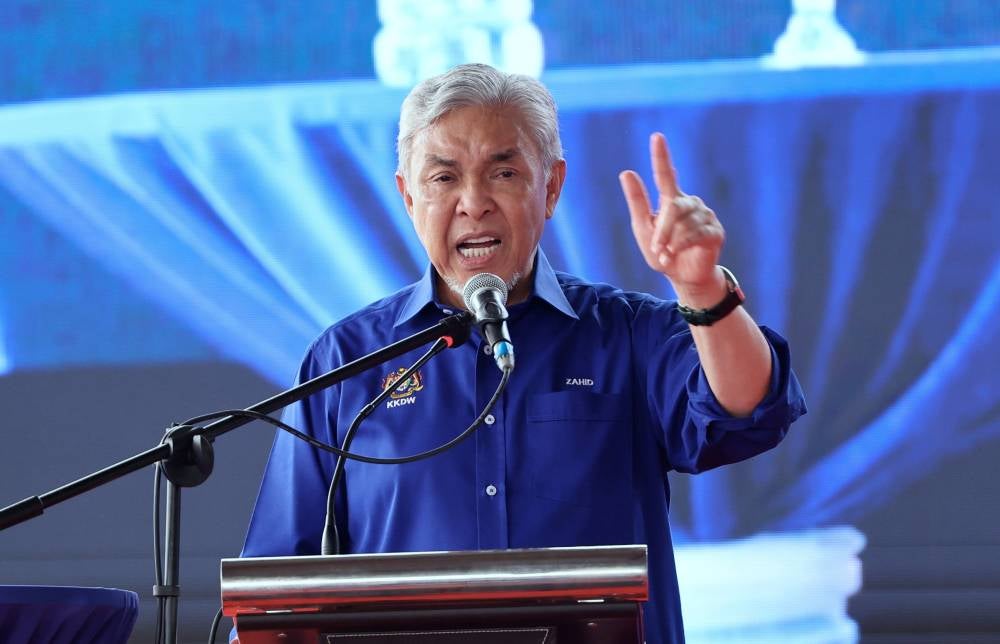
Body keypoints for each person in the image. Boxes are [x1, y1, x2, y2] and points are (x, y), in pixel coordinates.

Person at [240, 63, 806, 644]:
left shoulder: (629, 333)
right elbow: (274, 587)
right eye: (443, 179)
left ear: (552, 186)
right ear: (408, 196)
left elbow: (749, 410)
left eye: (503, 172)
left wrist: (702, 291)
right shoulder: (347, 359)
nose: (473, 203)